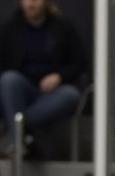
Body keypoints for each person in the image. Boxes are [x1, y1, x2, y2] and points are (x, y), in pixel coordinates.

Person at [0, 0, 87, 156]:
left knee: (70, 95)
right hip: (21, 91)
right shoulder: (10, 29)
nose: (31, 3)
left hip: (53, 92)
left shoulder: (63, 27)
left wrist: (59, 76)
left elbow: (80, 63)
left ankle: (18, 133)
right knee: (9, 79)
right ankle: (22, 139)